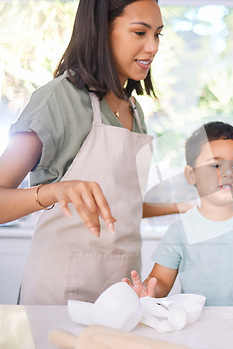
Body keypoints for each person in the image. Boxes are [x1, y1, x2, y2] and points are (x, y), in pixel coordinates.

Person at [0, 0, 188, 305]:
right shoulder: (58, 100)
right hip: (59, 296)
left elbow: (123, 206)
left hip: (121, 292)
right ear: (102, 30)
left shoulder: (134, 110)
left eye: (157, 35)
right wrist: (53, 192)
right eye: (140, 32)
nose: (152, 47)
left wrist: (190, 207)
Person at [123, 121, 233, 306]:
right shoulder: (180, 229)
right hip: (198, 323)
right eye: (215, 165)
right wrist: (149, 291)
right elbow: (161, 279)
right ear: (191, 175)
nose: (228, 173)